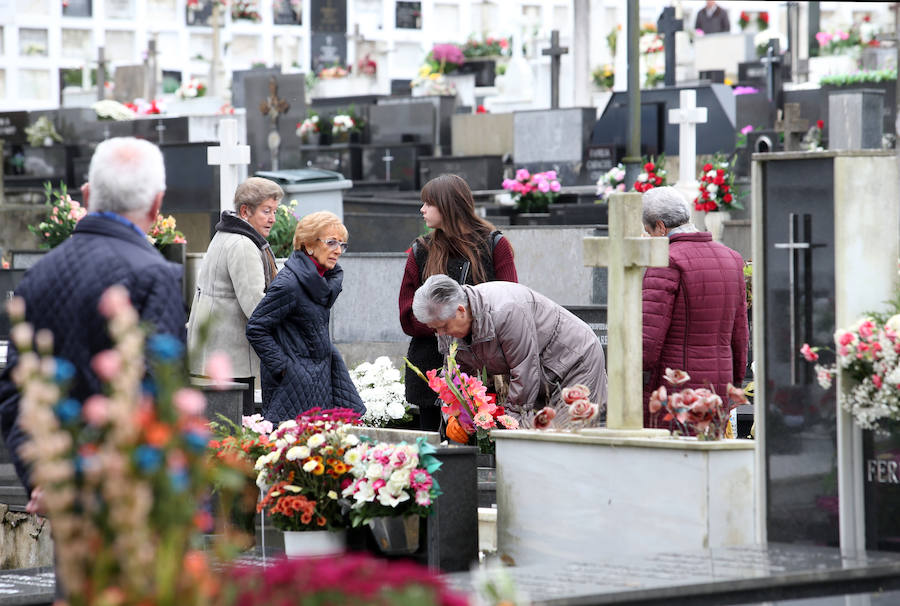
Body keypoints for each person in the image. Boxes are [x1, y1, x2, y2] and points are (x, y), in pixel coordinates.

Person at [0, 136, 185, 517]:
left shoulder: (38, 274)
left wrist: (44, 478)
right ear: (156, 203)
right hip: (128, 498)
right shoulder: (154, 274)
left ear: (86, 195)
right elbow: (155, 393)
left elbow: (16, 390)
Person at [399, 174, 518, 431]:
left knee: (487, 453)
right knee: (437, 457)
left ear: (449, 205)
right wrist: (447, 325)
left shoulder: (495, 245)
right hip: (433, 367)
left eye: (428, 203)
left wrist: (466, 327)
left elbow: (511, 305)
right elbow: (408, 316)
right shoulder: (421, 250)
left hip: (487, 369)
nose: (422, 209)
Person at [412, 275, 607, 413]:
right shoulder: (448, 324)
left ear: (461, 310)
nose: (440, 334)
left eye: (443, 327)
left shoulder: (506, 311)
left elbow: (525, 370)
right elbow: (459, 378)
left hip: (574, 360)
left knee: (570, 434)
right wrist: (459, 415)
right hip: (540, 374)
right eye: (434, 329)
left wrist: (510, 420)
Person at [641, 186, 748, 427]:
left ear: (660, 227)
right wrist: (736, 382)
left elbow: (647, 342)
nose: (647, 239)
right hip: (718, 386)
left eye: (647, 232)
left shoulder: (665, 261)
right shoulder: (732, 258)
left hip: (676, 388)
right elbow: (740, 334)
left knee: (673, 457)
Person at [246, 210, 364, 422]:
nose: (338, 250)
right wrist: (284, 368)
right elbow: (256, 328)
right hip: (293, 385)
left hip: (320, 379)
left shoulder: (322, 282)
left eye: (341, 244)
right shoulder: (289, 284)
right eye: (331, 243)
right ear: (308, 245)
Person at [187, 177, 282, 416]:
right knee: (235, 433)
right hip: (231, 358)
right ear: (245, 211)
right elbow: (257, 307)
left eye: (275, 211)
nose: (272, 218)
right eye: (266, 211)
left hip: (214, 353)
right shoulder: (243, 244)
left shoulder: (225, 235)